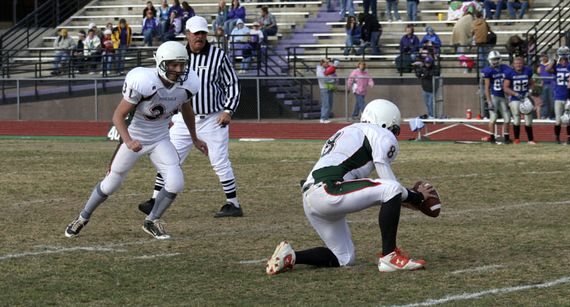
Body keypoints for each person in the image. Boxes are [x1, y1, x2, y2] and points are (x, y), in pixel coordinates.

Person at [265, 99, 437, 275]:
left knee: (344, 257)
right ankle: (389, 257)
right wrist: (417, 197)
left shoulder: (345, 132)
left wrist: (406, 197)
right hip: (328, 190)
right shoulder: (380, 133)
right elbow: (390, 185)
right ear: (387, 123)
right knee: (392, 188)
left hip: (311, 196)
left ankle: (292, 257)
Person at [64, 41, 207, 240]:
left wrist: (194, 137)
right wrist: (128, 141)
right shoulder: (144, 81)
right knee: (111, 185)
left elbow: (187, 109)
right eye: (174, 65)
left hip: (160, 138)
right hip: (135, 136)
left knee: (176, 183)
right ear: (162, 64)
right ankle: (82, 217)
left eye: (182, 64)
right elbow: (117, 116)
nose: (179, 69)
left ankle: (152, 220)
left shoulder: (187, 84)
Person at [137, 16, 243, 219]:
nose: (200, 37)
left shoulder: (218, 56)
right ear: (187, 34)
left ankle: (233, 203)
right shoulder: (177, 55)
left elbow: (233, 84)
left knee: (219, 161)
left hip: (213, 117)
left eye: (203, 33)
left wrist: (228, 110)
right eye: (196, 33)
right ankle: (154, 200)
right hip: (183, 120)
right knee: (169, 158)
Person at [504, 56, 536, 144]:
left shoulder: (527, 71)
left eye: (520, 63)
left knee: (528, 120)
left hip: (525, 97)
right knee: (516, 118)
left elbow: (532, 83)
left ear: (523, 64)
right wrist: (515, 94)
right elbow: (506, 88)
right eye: (516, 64)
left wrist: (530, 91)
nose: (518, 65)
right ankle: (517, 139)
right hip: (515, 98)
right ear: (513, 65)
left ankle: (530, 139)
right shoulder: (510, 73)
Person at [482, 50, 512, 144]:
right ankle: (492, 137)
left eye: (497, 59)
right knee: (493, 117)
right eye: (493, 59)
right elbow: (487, 87)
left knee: (507, 118)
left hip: (504, 96)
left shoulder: (505, 68)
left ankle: (506, 137)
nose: (495, 61)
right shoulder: (488, 70)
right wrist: (489, 101)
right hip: (494, 96)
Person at [549, 46, 570, 144]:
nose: (563, 62)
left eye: (565, 60)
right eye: (562, 60)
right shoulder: (557, 66)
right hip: (559, 96)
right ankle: (557, 138)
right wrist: (555, 59)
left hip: (569, 96)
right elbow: (548, 69)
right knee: (558, 119)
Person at [317, 58, 334, 123]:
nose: (327, 64)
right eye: (326, 62)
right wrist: (331, 80)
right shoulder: (319, 70)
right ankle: (323, 118)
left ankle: (326, 117)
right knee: (325, 103)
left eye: (328, 62)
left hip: (329, 87)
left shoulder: (327, 69)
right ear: (322, 63)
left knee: (330, 103)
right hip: (324, 88)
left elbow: (332, 75)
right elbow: (323, 79)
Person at [538, 52, 554, 119]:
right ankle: (544, 115)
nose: (544, 58)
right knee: (544, 100)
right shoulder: (540, 66)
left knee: (552, 101)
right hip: (544, 85)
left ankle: (552, 115)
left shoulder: (551, 65)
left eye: (545, 56)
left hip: (551, 84)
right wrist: (541, 83)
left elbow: (552, 72)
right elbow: (541, 75)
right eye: (542, 56)